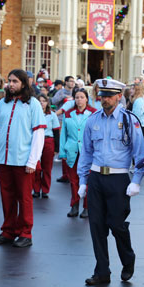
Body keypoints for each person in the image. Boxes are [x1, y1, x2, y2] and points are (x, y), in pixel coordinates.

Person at [77, 79, 144, 285]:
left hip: (118, 179)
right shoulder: (93, 120)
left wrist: (136, 180)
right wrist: (83, 180)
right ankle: (102, 271)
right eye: (102, 95)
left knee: (117, 226)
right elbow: (86, 152)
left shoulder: (129, 120)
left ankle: (128, 259)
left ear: (119, 96)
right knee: (97, 227)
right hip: (97, 177)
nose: (104, 99)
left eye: (109, 95)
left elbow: (139, 154)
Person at [0, 70, 46, 248]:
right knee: (7, 197)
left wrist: (32, 160)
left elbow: (39, 133)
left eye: (15, 81)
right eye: (9, 81)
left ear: (23, 84)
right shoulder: (3, 104)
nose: (11, 84)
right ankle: (9, 231)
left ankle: (25, 233)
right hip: (4, 160)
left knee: (24, 198)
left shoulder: (33, 104)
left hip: (23, 161)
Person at [59, 89, 96, 217]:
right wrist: (62, 152)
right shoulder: (68, 113)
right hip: (72, 150)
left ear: (87, 99)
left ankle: (87, 207)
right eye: (77, 97)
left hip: (88, 151)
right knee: (73, 180)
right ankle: (74, 205)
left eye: (81, 97)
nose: (79, 99)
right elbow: (63, 133)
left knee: (87, 180)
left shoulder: (93, 113)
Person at [33, 95, 60, 199]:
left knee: (47, 167)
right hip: (36, 141)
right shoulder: (34, 114)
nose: (42, 103)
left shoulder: (52, 115)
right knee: (36, 167)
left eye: (44, 101)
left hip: (48, 140)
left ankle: (45, 190)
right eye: (40, 101)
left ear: (47, 103)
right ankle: (36, 189)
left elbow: (56, 131)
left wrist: (56, 148)